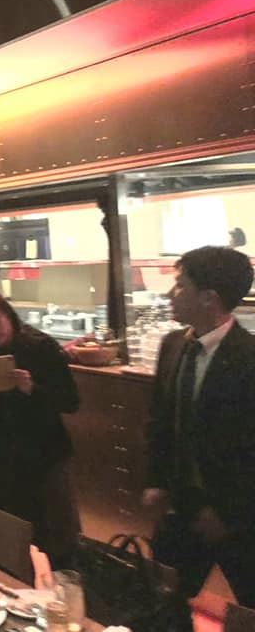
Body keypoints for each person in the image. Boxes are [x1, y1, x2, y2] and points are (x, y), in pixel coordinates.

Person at [143, 245, 255, 628]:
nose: (170, 294)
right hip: (179, 508)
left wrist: (224, 512)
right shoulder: (174, 345)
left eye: (180, 285)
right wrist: (156, 481)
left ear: (209, 298)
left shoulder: (249, 357)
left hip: (236, 519)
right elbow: (160, 421)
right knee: (163, 603)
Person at [0, 288, 80, 564]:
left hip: (44, 458)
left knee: (54, 539)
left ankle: (59, 583)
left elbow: (71, 401)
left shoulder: (40, 346)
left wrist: (31, 388)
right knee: (11, 540)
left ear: (8, 314)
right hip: (3, 461)